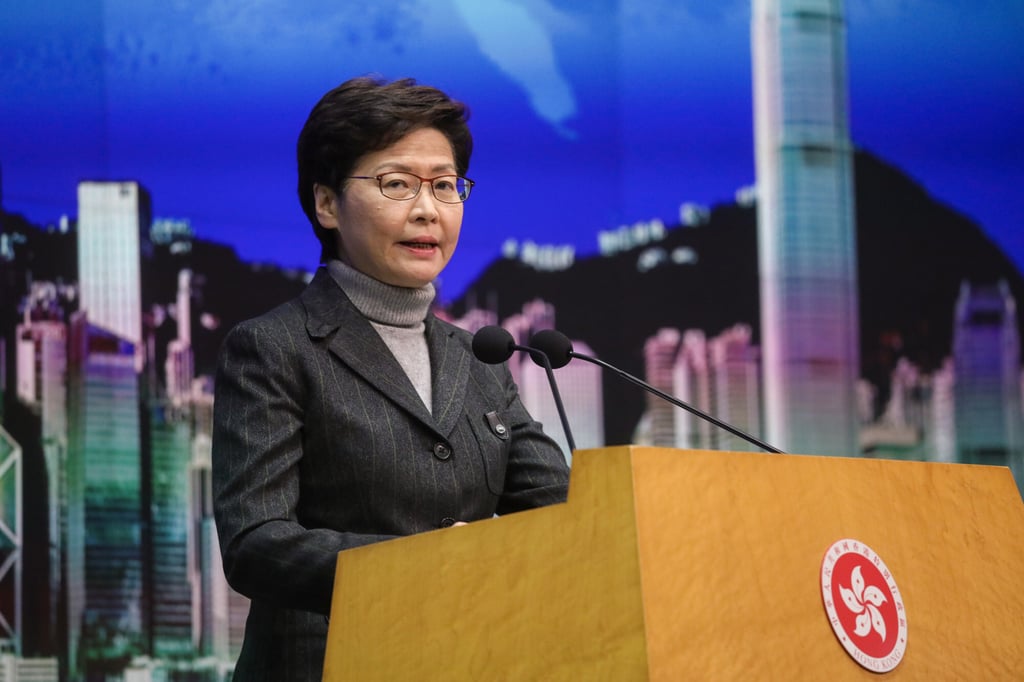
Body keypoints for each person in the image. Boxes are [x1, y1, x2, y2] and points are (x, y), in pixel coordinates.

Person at [211, 76, 570, 681]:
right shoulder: (274, 347)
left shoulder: (480, 355)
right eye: (396, 184)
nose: (427, 208)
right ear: (327, 204)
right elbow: (257, 543)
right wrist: (428, 565)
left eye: (445, 186)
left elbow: (563, 509)